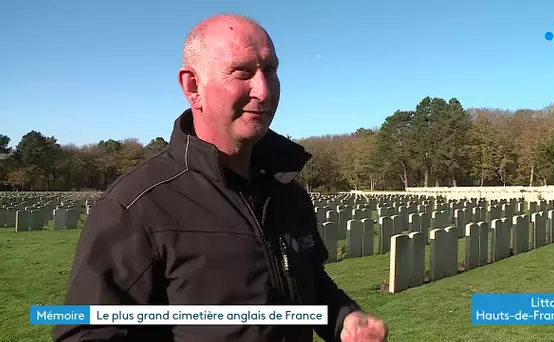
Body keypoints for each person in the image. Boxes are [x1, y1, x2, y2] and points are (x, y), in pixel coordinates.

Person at [52, 14, 387, 342]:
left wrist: (344, 319)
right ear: (193, 85)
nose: (265, 91)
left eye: (271, 71)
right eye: (242, 72)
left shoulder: (287, 192)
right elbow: (84, 331)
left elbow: (307, 279)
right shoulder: (136, 206)